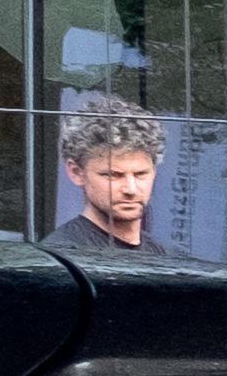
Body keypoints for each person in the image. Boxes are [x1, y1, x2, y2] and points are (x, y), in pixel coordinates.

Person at [42, 98, 185, 267]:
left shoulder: (165, 256)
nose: (130, 189)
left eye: (140, 174)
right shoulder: (60, 259)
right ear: (76, 173)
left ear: (154, 171)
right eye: (113, 175)